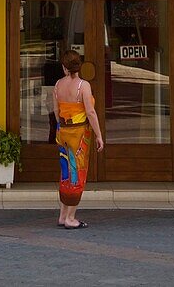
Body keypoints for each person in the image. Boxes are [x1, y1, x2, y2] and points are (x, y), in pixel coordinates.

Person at [53, 49, 104, 229]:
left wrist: (62, 129)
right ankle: (71, 218)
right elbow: (90, 112)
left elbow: (57, 114)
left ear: (65, 67)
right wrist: (99, 135)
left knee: (65, 172)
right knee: (77, 173)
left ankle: (62, 215)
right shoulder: (84, 86)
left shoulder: (58, 85)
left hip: (63, 133)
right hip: (79, 134)